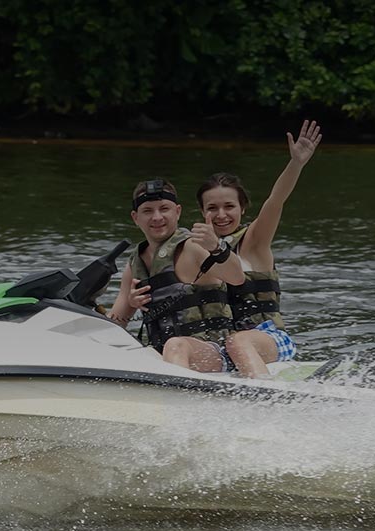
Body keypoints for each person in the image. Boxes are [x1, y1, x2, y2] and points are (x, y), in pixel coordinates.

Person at [195, 120, 322, 377]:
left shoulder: (254, 241)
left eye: (229, 206)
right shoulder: (195, 250)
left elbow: (276, 200)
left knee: (238, 341)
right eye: (212, 208)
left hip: (268, 339)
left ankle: (262, 402)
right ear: (202, 212)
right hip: (224, 345)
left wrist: (296, 163)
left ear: (243, 208)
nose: (221, 215)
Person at [106, 178, 247, 373]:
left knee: (175, 345)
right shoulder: (135, 264)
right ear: (135, 217)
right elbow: (115, 324)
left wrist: (217, 247)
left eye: (164, 209)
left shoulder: (193, 247)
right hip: (166, 355)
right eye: (148, 211)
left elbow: (237, 277)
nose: (157, 217)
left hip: (215, 352)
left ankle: (176, 401)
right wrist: (130, 303)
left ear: (177, 212)